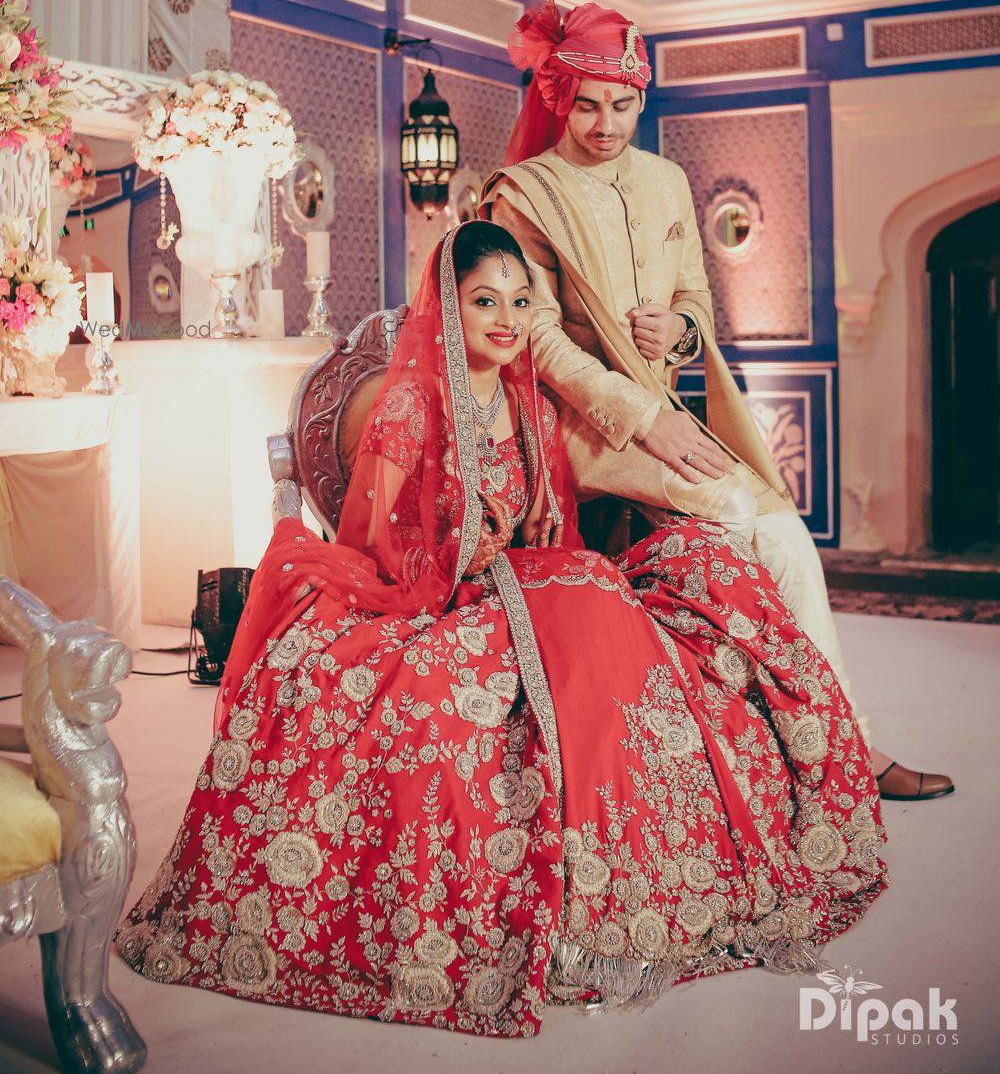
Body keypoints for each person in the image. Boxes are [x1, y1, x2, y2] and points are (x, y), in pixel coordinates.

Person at [115, 222, 886, 1037]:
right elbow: (374, 542)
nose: (507, 318)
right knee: (568, 615)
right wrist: (455, 556)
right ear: (450, 306)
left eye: (521, 302)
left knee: (672, 583)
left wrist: (518, 558)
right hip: (438, 604)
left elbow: (548, 524)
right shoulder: (414, 405)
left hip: (525, 587)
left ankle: (640, 874)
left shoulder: (524, 398)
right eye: (486, 301)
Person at [481, 1, 952, 805]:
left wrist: (682, 330)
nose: (605, 123)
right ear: (559, 96)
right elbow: (538, 339)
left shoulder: (666, 181)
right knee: (734, 517)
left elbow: (697, 300)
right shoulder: (528, 192)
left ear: (641, 99)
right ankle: (760, 756)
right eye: (588, 103)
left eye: (623, 104)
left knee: (789, 539)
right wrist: (643, 418)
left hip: (666, 415)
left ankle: (845, 753)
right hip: (583, 427)